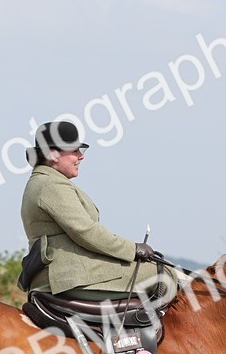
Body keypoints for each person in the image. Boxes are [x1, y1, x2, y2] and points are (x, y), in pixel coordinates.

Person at [19, 120, 173, 301]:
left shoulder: (45, 181)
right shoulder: (50, 185)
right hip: (69, 276)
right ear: (53, 154)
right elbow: (86, 231)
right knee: (166, 276)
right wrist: (132, 249)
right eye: (75, 151)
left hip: (71, 271)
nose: (81, 156)